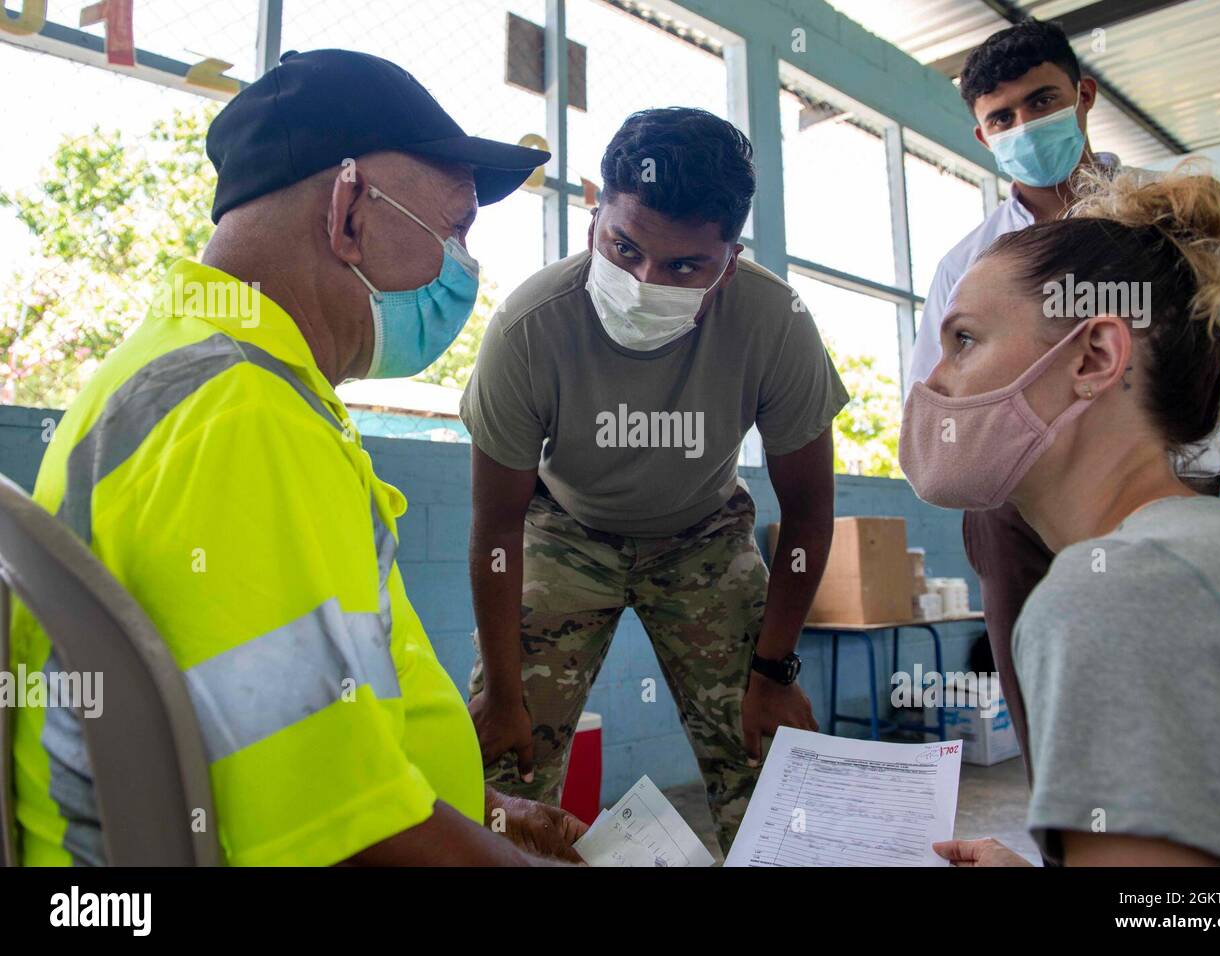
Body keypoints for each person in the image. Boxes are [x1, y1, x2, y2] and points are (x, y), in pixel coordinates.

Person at [9, 49, 586, 866]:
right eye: (454, 231)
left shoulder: (192, 370)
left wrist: (479, 812)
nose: (462, 273)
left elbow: (264, 747)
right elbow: (348, 848)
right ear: (349, 212)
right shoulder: (242, 418)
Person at [907, 19, 1220, 764]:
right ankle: (1067, 841)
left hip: (1169, 489)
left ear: (1084, 96)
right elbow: (944, 407)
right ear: (982, 136)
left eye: (1042, 101)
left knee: (1176, 712)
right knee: (1051, 708)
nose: (1024, 126)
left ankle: (1164, 861)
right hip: (1017, 509)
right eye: (1002, 117)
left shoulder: (1183, 215)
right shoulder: (970, 263)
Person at [459, 108, 848, 851]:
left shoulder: (775, 321)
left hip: (702, 538)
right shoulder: (528, 327)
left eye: (683, 268)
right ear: (592, 211)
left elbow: (807, 516)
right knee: (504, 762)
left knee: (765, 753)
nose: (643, 282)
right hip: (563, 533)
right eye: (625, 247)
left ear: (729, 262)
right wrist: (503, 692)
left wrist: (774, 668)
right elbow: (496, 527)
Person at [900, 165, 1220, 866]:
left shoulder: (1115, 593)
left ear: (1093, 356)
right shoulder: (1215, 549)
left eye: (963, 340)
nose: (932, 381)